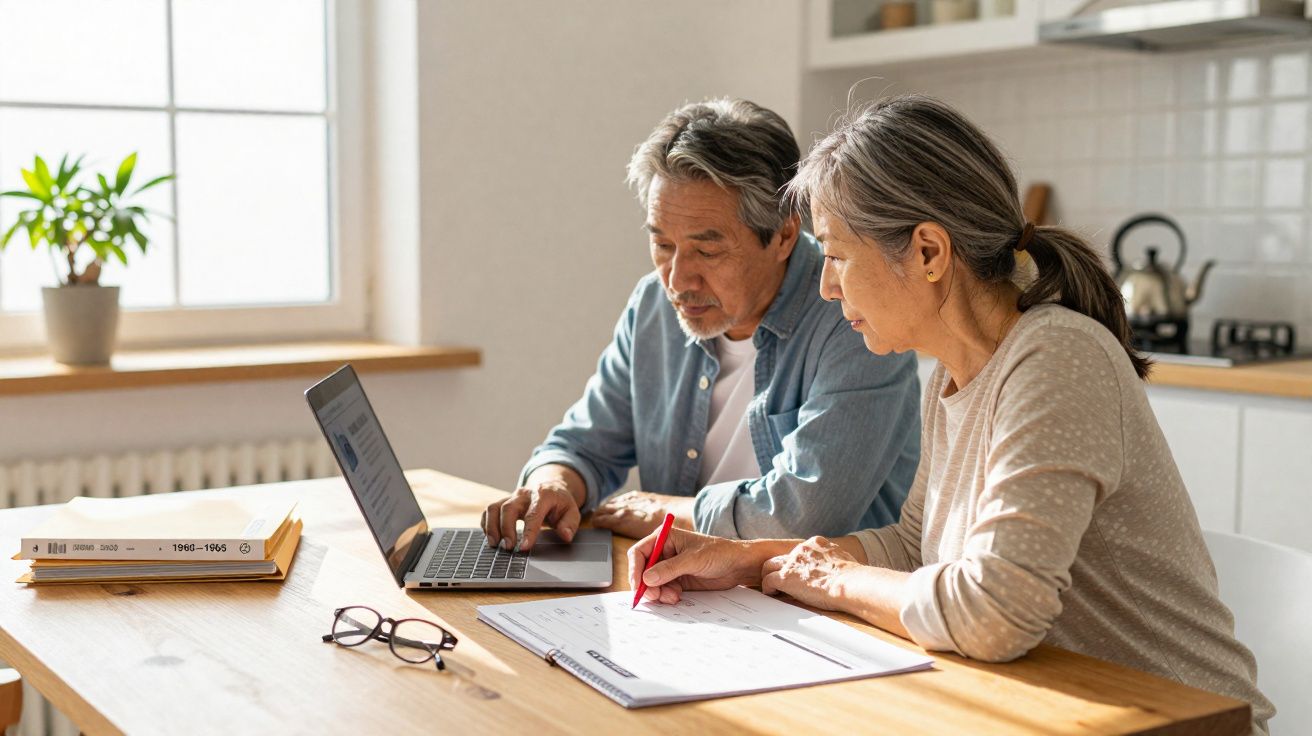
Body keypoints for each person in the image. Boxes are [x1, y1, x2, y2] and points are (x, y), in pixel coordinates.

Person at [628, 95, 1273, 734]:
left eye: (838, 256)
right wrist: (749, 560)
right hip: (1050, 712)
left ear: (930, 253)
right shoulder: (952, 375)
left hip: (1177, 723)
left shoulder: (1057, 359)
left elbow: (993, 612)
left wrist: (837, 581)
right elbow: (914, 549)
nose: (825, 286)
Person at [483, 98, 921, 552]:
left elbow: (802, 514)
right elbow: (586, 444)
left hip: (816, 601)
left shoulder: (858, 317)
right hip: (688, 589)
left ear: (785, 235)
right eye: (662, 245)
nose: (677, 280)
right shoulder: (653, 303)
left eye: (707, 251)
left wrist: (664, 513)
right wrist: (552, 483)